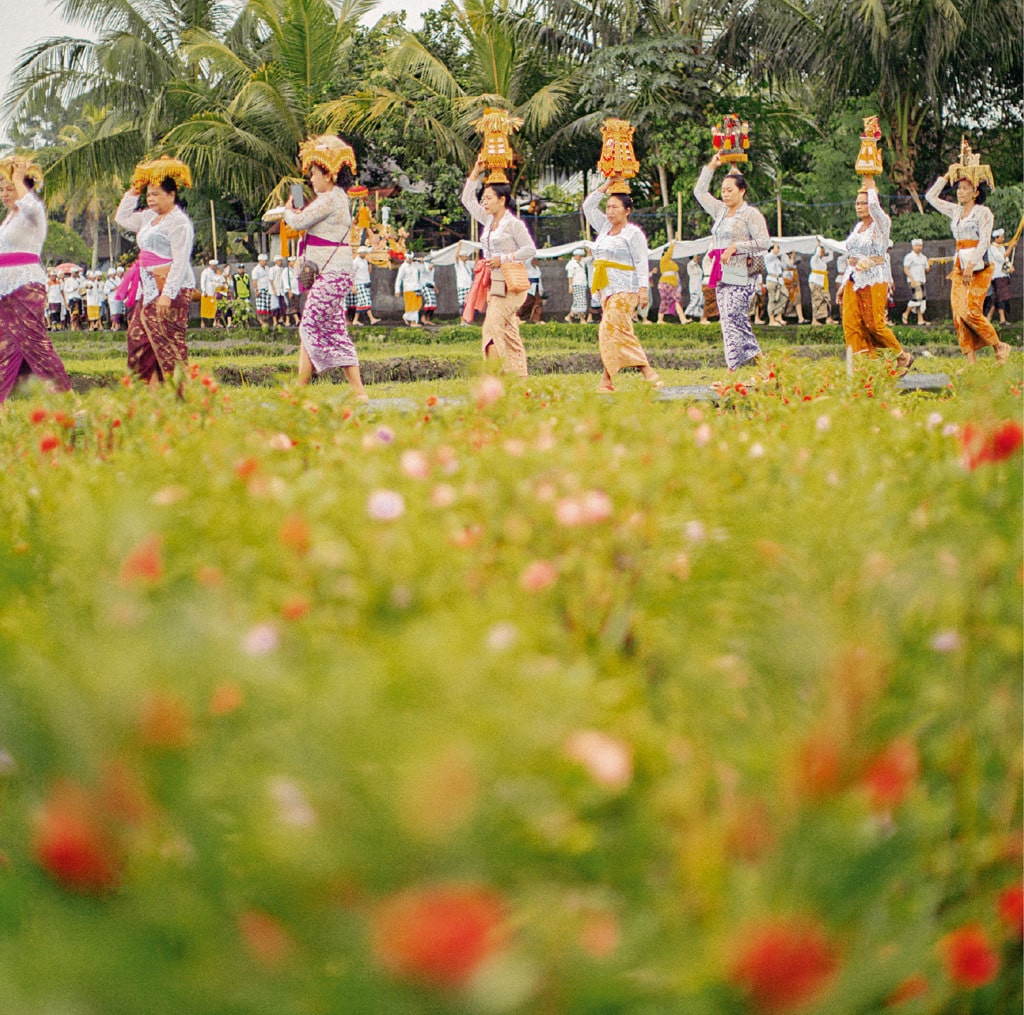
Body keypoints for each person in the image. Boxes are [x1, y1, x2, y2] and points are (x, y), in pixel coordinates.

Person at [283, 134, 368, 397]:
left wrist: (286, 210)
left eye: (314, 174)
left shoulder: (330, 198)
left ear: (329, 175)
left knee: (308, 325)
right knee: (332, 329)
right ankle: (357, 392)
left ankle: (300, 389)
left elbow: (298, 222)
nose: (311, 179)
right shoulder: (337, 197)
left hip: (331, 274)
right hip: (334, 273)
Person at [114, 160, 195, 386]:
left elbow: (180, 262)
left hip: (170, 288)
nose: (150, 199)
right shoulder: (148, 217)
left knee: (168, 342)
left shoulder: (179, 223)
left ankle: (180, 394)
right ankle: (147, 392)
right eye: (148, 194)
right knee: (137, 339)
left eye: (156, 194)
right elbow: (121, 218)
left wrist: (167, 295)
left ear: (171, 195)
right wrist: (134, 190)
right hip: (148, 287)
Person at [0, 156, 72, 401]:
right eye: (2, 189)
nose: (4, 194)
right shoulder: (9, 219)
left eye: (10, 189)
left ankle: (69, 401)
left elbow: (30, 206)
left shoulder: (33, 213)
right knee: (4, 346)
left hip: (26, 284)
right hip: (5, 288)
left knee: (35, 343)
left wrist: (19, 179)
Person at [582, 180, 662, 392]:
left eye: (615, 207)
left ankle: (641, 373)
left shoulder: (632, 233)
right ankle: (616, 378)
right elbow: (588, 207)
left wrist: (643, 289)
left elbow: (641, 261)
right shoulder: (604, 228)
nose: (610, 211)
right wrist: (606, 184)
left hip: (626, 287)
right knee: (615, 330)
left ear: (627, 210)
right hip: (605, 287)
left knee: (608, 328)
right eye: (608, 207)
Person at [461, 158, 537, 376]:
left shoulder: (513, 224)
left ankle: (495, 375)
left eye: (488, 198)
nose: (484, 202)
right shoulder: (487, 220)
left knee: (492, 327)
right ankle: (519, 375)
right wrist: (476, 171)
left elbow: (530, 250)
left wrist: (503, 259)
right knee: (509, 332)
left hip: (512, 284)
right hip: (494, 284)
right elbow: (467, 199)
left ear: (502, 200)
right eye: (483, 198)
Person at [693, 153, 770, 370]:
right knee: (727, 321)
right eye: (723, 190)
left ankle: (749, 365)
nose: (725, 194)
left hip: (743, 273)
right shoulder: (720, 211)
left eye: (730, 190)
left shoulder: (750, 214)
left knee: (735, 317)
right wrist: (711, 167)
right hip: (721, 272)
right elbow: (699, 192)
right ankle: (742, 366)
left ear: (742, 191)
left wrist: (737, 247)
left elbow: (765, 242)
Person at [925, 171, 1010, 363]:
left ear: (976, 193)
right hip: (960, 265)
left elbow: (984, 242)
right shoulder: (956, 211)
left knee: (970, 311)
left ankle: (998, 345)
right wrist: (947, 176)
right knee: (958, 313)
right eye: (959, 188)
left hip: (978, 266)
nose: (960, 192)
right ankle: (971, 360)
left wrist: (971, 265)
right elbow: (930, 197)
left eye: (965, 188)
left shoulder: (983, 213)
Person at [839, 178, 914, 374]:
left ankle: (902, 356)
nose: (859, 206)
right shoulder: (858, 228)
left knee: (874, 324)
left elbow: (875, 208)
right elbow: (852, 258)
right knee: (851, 323)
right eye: (857, 203)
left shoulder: (882, 224)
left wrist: (871, 187)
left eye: (863, 203)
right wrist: (843, 283)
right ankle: (863, 366)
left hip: (874, 278)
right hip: (854, 278)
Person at [985, 229, 1014, 325]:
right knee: (1002, 296)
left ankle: (990, 316)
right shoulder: (992, 248)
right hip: (997, 275)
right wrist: (1011, 247)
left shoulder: (1001, 247)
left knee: (1001, 296)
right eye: (1001, 237)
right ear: (996, 238)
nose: (1003, 239)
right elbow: (1001, 258)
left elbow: (1006, 260)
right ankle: (1002, 319)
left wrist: (1010, 266)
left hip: (1004, 274)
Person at [901, 238, 930, 325]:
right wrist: (912, 280)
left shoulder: (924, 257)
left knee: (921, 300)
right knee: (916, 299)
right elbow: (906, 269)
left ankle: (920, 320)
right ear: (913, 246)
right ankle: (906, 313)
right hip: (914, 280)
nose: (918, 247)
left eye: (920, 245)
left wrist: (929, 265)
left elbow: (927, 270)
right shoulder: (909, 257)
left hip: (922, 280)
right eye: (916, 245)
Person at [656, 248, 685, 324]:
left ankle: (682, 319)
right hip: (666, 283)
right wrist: (672, 244)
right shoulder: (664, 259)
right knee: (671, 299)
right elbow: (669, 253)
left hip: (671, 283)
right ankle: (682, 319)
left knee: (674, 300)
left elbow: (676, 269)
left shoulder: (670, 261)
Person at [350, 246, 378, 325]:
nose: (365, 255)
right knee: (366, 301)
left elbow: (369, 271)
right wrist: (353, 286)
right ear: (360, 253)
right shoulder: (355, 262)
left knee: (361, 302)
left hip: (366, 282)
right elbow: (352, 274)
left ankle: (355, 320)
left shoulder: (365, 261)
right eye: (364, 253)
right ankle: (371, 318)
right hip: (359, 283)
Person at [394, 254, 422, 327]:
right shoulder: (403, 267)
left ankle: (407, 317)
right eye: (409, 259)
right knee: (412, 305)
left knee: (418, 304)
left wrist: (421, 261)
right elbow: (399, 279)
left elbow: (422, 266)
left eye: (411, 258)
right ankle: (413, 322)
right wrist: (397, 290)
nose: (410, 260)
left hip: (417, 287)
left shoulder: (415, 264)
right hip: (408, 288)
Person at [808, 244, 834, 324]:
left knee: (827, 298)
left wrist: (830, 248)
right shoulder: (814, 258)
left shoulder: (822, 260)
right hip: (815, 281)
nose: (823, 253)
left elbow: (830, 257)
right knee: (817, 300)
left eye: (823, 252)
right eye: (822, 251)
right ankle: (814, 319)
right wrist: (819, 244)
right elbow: (817, 254)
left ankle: (828, 318)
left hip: (823, 282)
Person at [565, 247, 589, 323]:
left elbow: (590, 258)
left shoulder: (582, 261)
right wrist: (570, 286)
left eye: (581, 256)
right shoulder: (571, 264)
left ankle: (569, 317)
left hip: (583, 284)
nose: (580, 257)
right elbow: (570, 276)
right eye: (579, 256)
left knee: (578, 302)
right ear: (575, 255)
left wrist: (587, 249)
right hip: (576, 284)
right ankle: (582, 319)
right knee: (580, 302)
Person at [782, 249, 806, 323]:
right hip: (787, 277)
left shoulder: (795, 254)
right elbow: (790, 264)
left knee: (797, 296)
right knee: (785, 297)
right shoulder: (784, 255)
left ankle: (800, 317)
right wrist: (792, 257)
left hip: (794, 276)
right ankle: (783, 315)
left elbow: (799, 260)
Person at [454, 242, 475, 319]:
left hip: (469, 285)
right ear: (461, 257)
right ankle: (462, 320)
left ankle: (467, 319)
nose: (466, 257)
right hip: (461, 285)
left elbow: (476, 262)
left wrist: (476, 253)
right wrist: (459, 247)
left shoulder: (468, 263)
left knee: (468, 303)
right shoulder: (458, 264)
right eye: (464, 256)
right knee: (461, 303)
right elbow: (456, 256)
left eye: (466, 256)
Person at [252, 253, 272, 329]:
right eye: (263, 261)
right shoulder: (256, 269)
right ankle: (261, 321)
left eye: (265, 261)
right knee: (261, 306)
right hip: (260, 289)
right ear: (260, 261)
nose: (265, 262)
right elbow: (254, 281)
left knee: (267, 306)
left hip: (267, 289)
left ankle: (266, 321)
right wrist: (256, 290)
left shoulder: (267, 268)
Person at [199, 258, 219, 328]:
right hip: (206, 293)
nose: (216, 267)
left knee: (213, 309)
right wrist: (204, 290)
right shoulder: (205, 272)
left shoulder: (214, 273)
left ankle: (213, 323)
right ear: (211, 265)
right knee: (205, 309)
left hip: (213, 293)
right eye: (215, 266)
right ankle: (203, 323)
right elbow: (202, 282)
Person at [683, 256, 703, 322]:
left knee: (699, 301)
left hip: (699, 284)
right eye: (696, 256)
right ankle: (684, 316)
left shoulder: (697, 265)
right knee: (694, 301)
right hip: (694, 285)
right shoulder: (690, 264)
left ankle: (693, 317)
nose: (698, 257)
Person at [420, 257, 438, 324]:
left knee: (433, 303)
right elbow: (425, 271)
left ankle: (428, 319)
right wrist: (423, 263)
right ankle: (423, 317)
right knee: (429, 301)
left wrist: (435, 286)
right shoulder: (423, 265)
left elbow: (431, 278)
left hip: (431, 285)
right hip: (424, 285)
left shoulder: (432, 265)